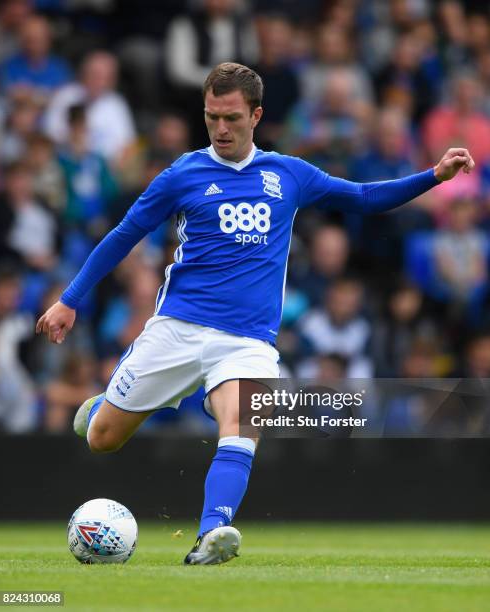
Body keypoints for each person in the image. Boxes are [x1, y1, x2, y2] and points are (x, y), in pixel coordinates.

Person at [36, 62, 475, 565]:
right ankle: (99, 409)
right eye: (211, 117)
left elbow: (364, 197)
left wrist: (434, 177)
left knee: (242, 425)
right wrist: (69, 299)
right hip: (178, 329)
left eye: (231, 118)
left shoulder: (288, 174)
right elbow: (123, 236)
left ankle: (212, 533)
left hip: (247, 341)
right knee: (102, 441)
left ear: (257, 115)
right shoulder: (183, 174)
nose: (221, 129)